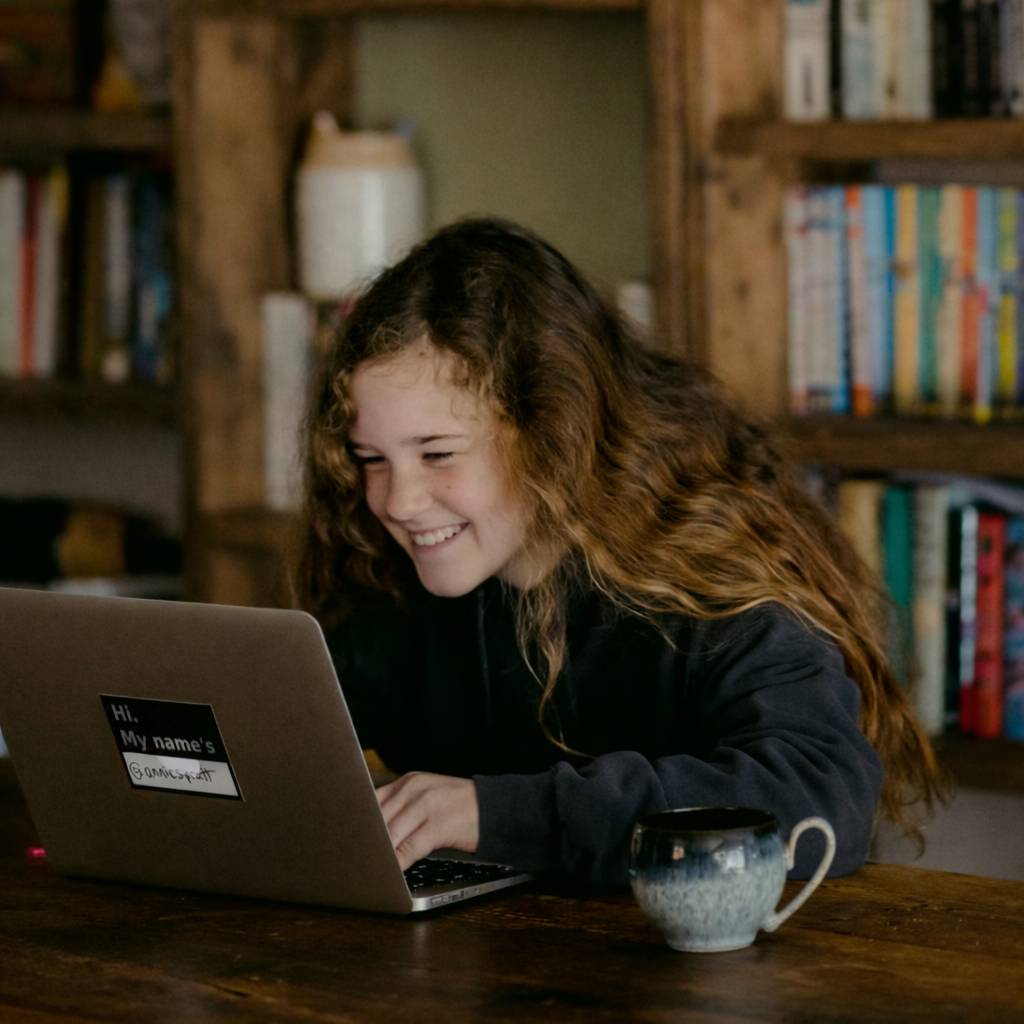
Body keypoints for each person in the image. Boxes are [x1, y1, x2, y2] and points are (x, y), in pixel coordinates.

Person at [297, 216, 944, 885]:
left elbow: (821, 799)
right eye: (370, 458)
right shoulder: (388, 576)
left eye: (437, 454)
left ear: (551, 429)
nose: (398, 501)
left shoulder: (707, 572)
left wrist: (496, 813)